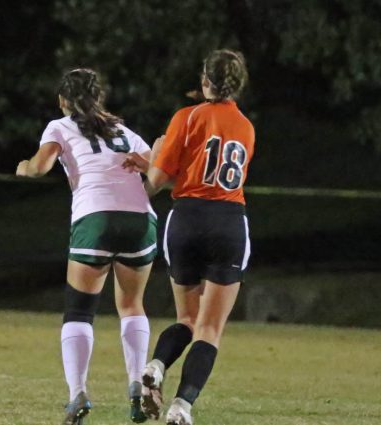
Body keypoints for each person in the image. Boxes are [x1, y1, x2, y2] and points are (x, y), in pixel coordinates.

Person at [16, 68, 159, 424]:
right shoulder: (124, 132)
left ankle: (77, 394)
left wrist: (23, 168)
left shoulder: (59, 126)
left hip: (95, 218)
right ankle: (137, 386)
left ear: (63, 100)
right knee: (131, 304)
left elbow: (41, 166)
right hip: (141, 220)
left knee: (79, 312)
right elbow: (160, 170)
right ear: (99, 99)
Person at [123, 49, 253, 425]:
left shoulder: (187, 116)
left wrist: (154, 160)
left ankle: (157, 364)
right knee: (209, 328)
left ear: (204, 81)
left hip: (186, 221)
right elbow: (212, 179)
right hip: (228, 222)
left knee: (187, 318)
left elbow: (158, 184)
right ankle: (181, 407)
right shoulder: (245, 126)